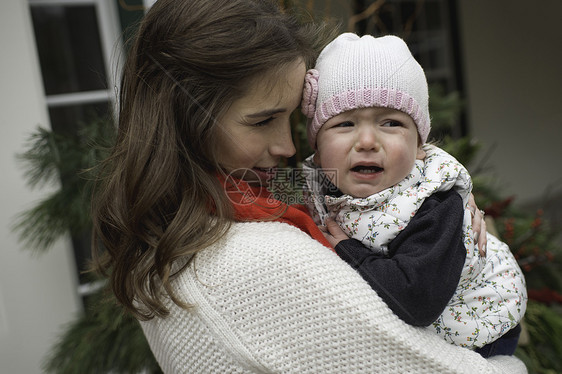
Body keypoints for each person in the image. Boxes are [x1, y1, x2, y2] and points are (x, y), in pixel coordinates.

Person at [91, 0, 527, 372]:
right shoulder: (251, 263)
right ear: (187, 118)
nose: (286, 145)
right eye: (263, 120)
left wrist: (447, 185)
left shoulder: (205, 215)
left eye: (292, 121)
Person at [301, 33, 527, 357]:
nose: (367, 140)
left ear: (419, 146)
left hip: (476, 327)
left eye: (391, 123)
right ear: (317, 149)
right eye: (345, 124)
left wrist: (350, 251)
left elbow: (416, 300)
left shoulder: (432, 206)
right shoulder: (313, 180)